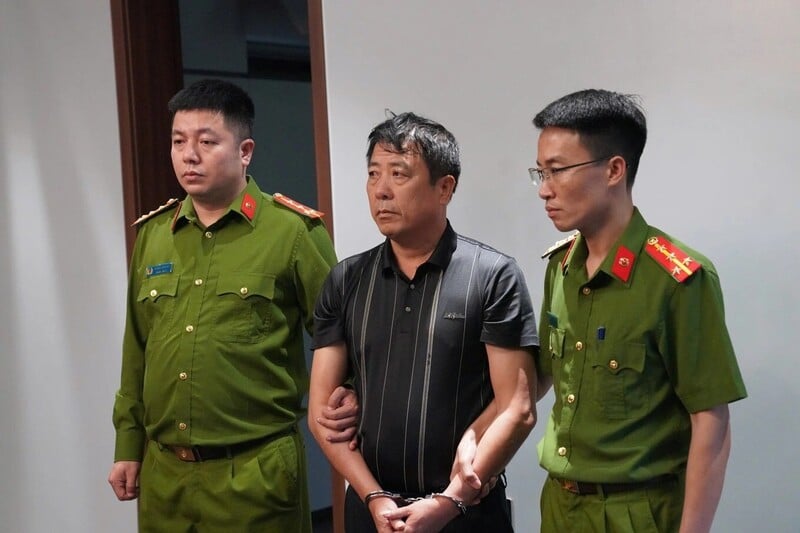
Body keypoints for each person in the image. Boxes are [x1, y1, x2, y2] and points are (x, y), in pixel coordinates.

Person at [107, 78, 338, 532]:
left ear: (245, 150)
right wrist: (127, 445)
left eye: (206, 142)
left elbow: (340, 337)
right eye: (178, 141)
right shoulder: (154, 235)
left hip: (255, 475)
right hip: (165, 478)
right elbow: (136, 350)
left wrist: (342, 409)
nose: (188, 155)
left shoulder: (293, 232)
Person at [308, 112, 539, 532]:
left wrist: (449, 502)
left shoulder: (491, 275)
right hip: (372, 509)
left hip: (465, 510)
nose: (381, 190)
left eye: (399, 174)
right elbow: (322, 414)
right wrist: (374, 497)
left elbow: (518, 408)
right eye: (373, 174)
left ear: (444, 188)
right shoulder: (346, 279)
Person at [529, 89, 747, 532]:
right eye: (540, 172)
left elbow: (710, 420)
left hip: (637, 513)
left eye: (558, 171)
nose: (545, 190)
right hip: (560, 507)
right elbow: (541, 377)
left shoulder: (677, 279)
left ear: (614, 170)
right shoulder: (561, 266)